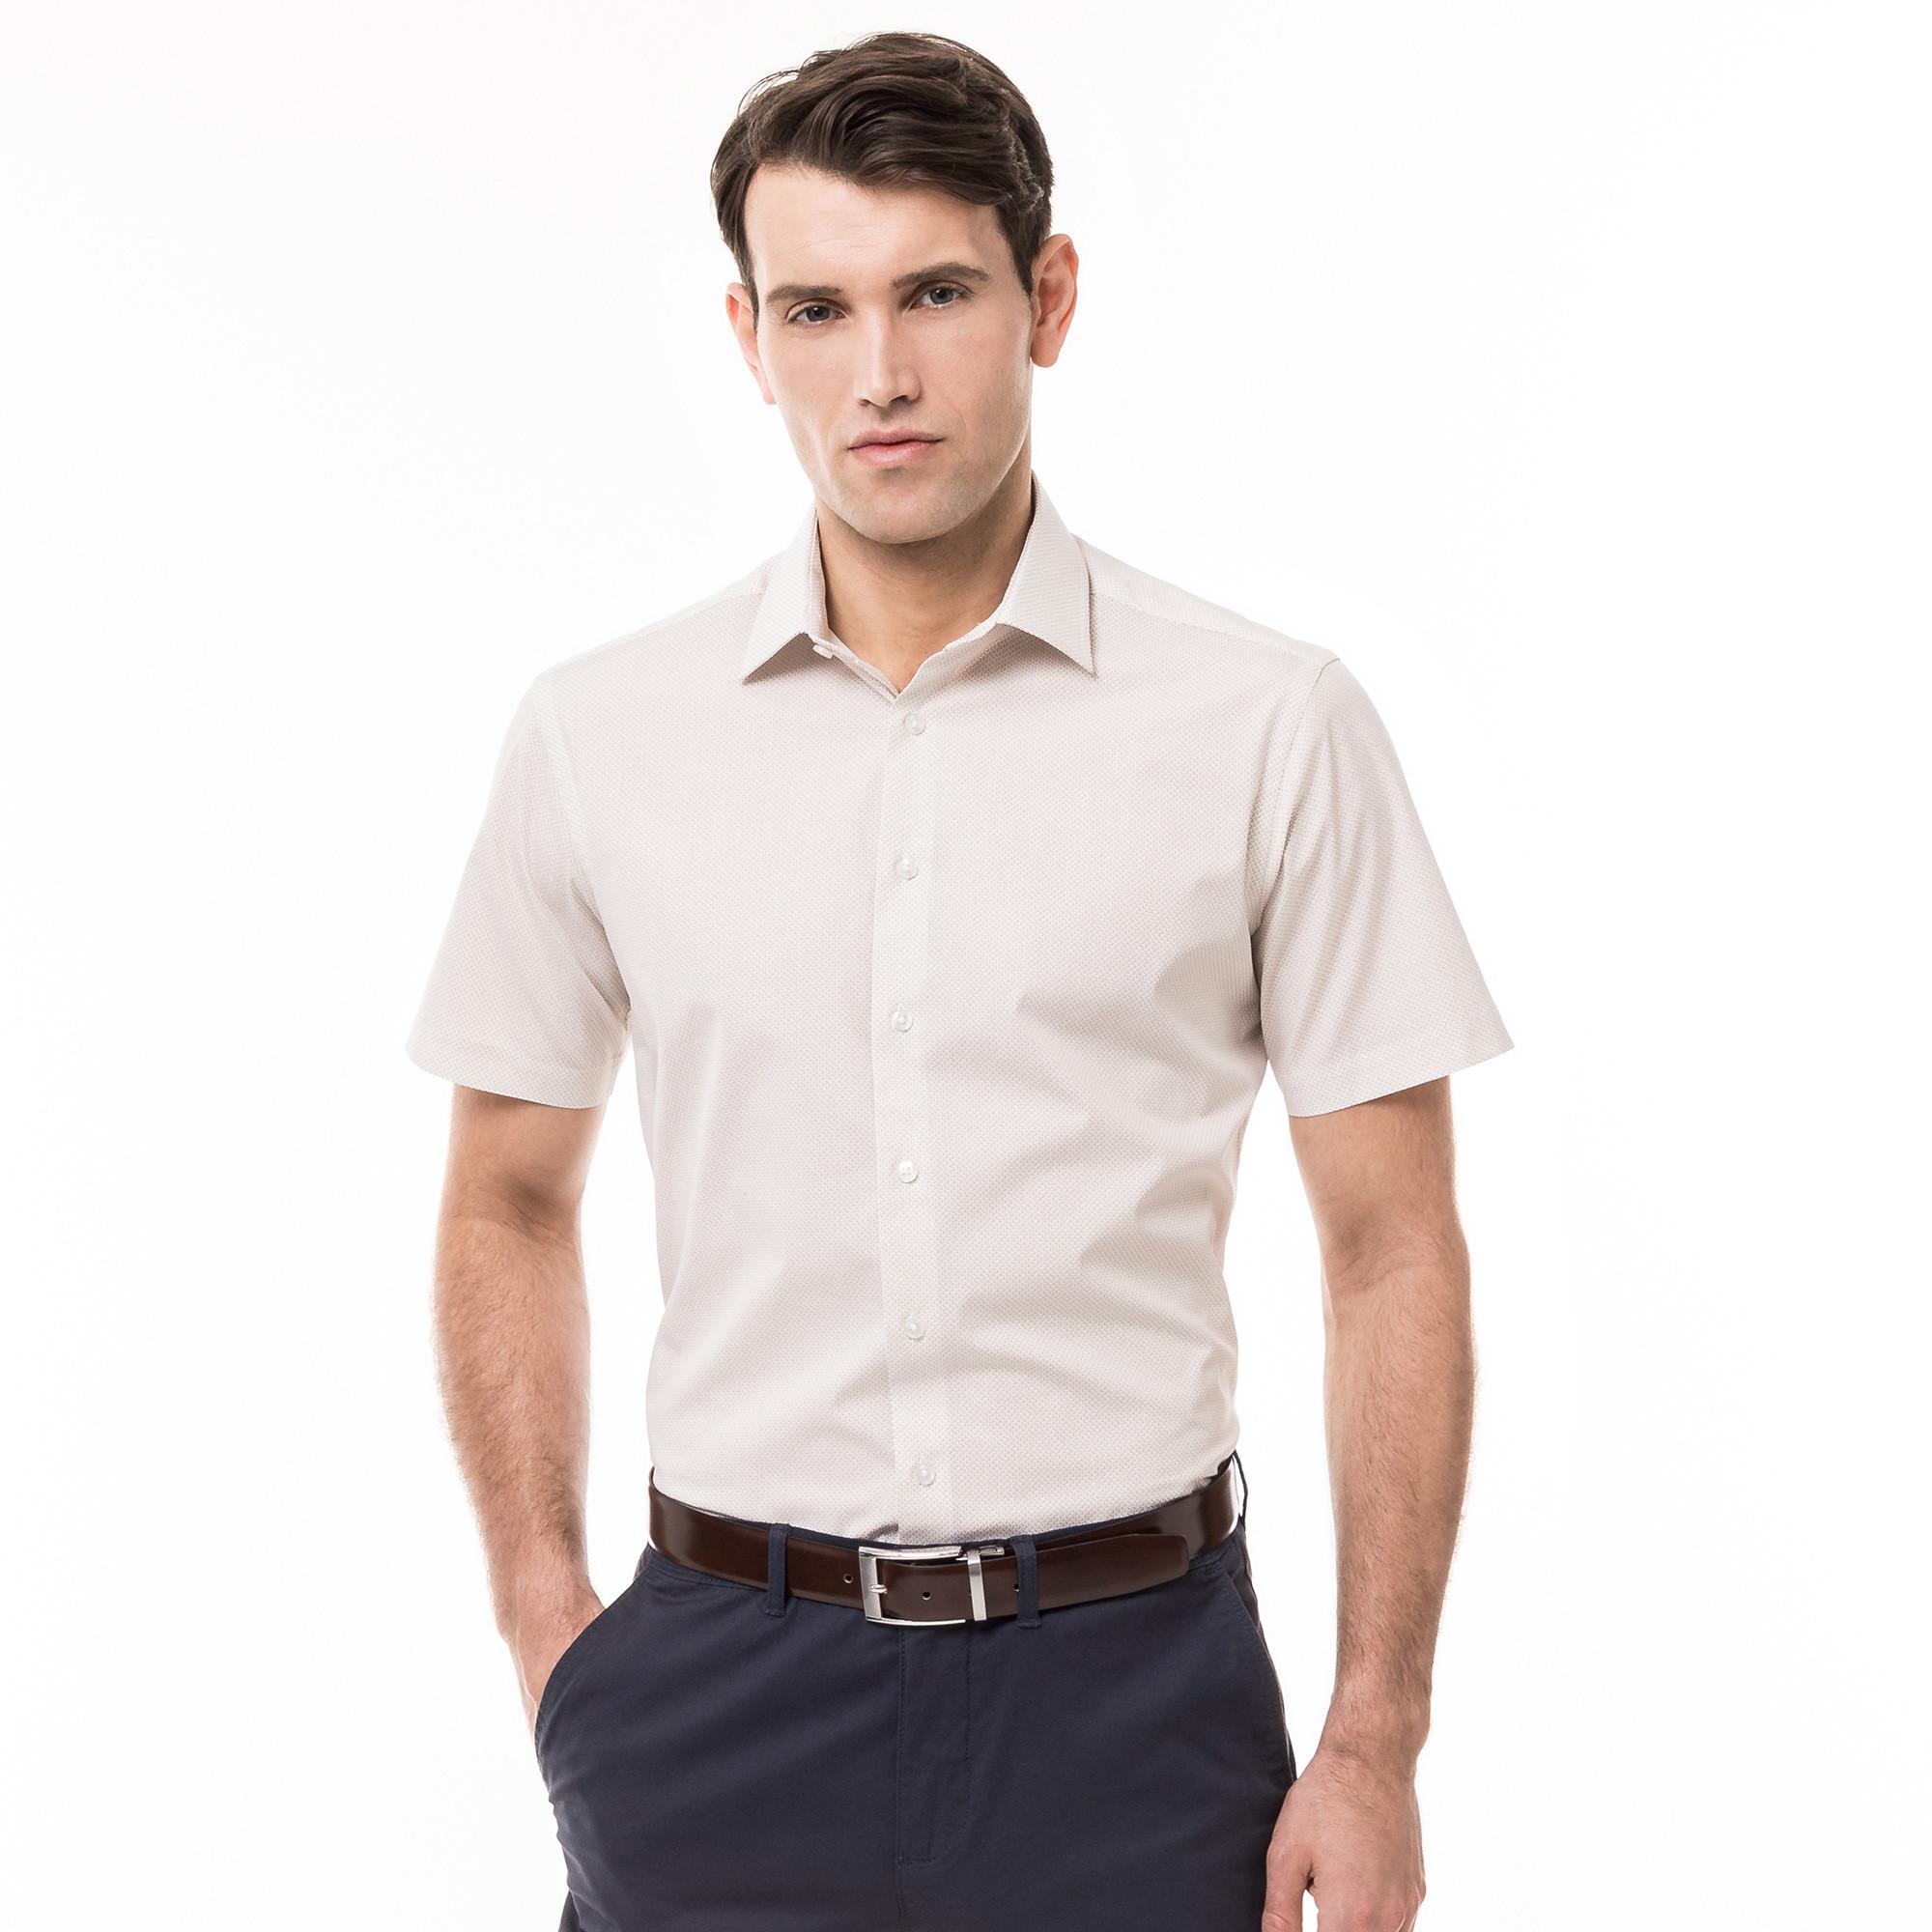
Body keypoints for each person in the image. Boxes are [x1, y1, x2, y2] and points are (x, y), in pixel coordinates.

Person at [405, 29, 1512, 1932]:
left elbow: (1390, 1244)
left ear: (1046, 298)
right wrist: (545, 1621)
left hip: (1135, 1698)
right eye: (817, 309)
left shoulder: (1268, 727)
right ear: (747, 334)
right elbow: (504, 1195)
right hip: (713, 1690)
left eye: (936, 293)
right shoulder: (601, 738)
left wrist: (1375, 1734)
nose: (881, 375)